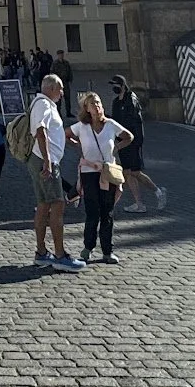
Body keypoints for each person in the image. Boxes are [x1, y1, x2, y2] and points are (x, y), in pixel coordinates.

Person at [70, 92, 132, 264]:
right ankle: (88, 247)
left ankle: (107, 251)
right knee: (92, 211)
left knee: (107, 212)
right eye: (92, 104)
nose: (96, 107)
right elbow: (65, 134)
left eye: (98, 103)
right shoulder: (82, 126)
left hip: (107, 172)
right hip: (89, 172)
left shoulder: (111, 124)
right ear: (87, 109)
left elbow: (129, 136)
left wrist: (117, 147)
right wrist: (77, 145)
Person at [30, 74, 84, 271]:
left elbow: (53, 133)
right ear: (51, 88)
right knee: (58, 204)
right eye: (60, 89)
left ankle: (42, 252)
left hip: (45, 159)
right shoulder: (43, 105)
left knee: (44, 205)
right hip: (46, 161)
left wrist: (73, 144)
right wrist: (47, 161)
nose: (62, 93)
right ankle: (60, 255)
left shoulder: (45, 105)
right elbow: (41, 131)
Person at [110, 76, 165, 212]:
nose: (114, 87)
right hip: (122, 141)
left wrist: (137, 141)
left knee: (135, 172)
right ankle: (139, 203)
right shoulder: (116, 102)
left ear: (122, 85)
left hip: (133, 141)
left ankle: (158, 191)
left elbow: (136, 122)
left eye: (116, 84)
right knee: (128, 172)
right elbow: (115, 122)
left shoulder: (131, 99)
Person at [51, 52, 76, 119]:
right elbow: (52, 72)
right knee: (58, 99)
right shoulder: (55, 63)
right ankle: (58, 113)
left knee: (67, 98)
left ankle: (68, 112)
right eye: (60, 55)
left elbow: (69, 71)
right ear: (58, 55)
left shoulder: (66, 63)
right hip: (58, 84)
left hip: (65, 82)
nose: (61, 56)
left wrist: (70, 78)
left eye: (62, 54)